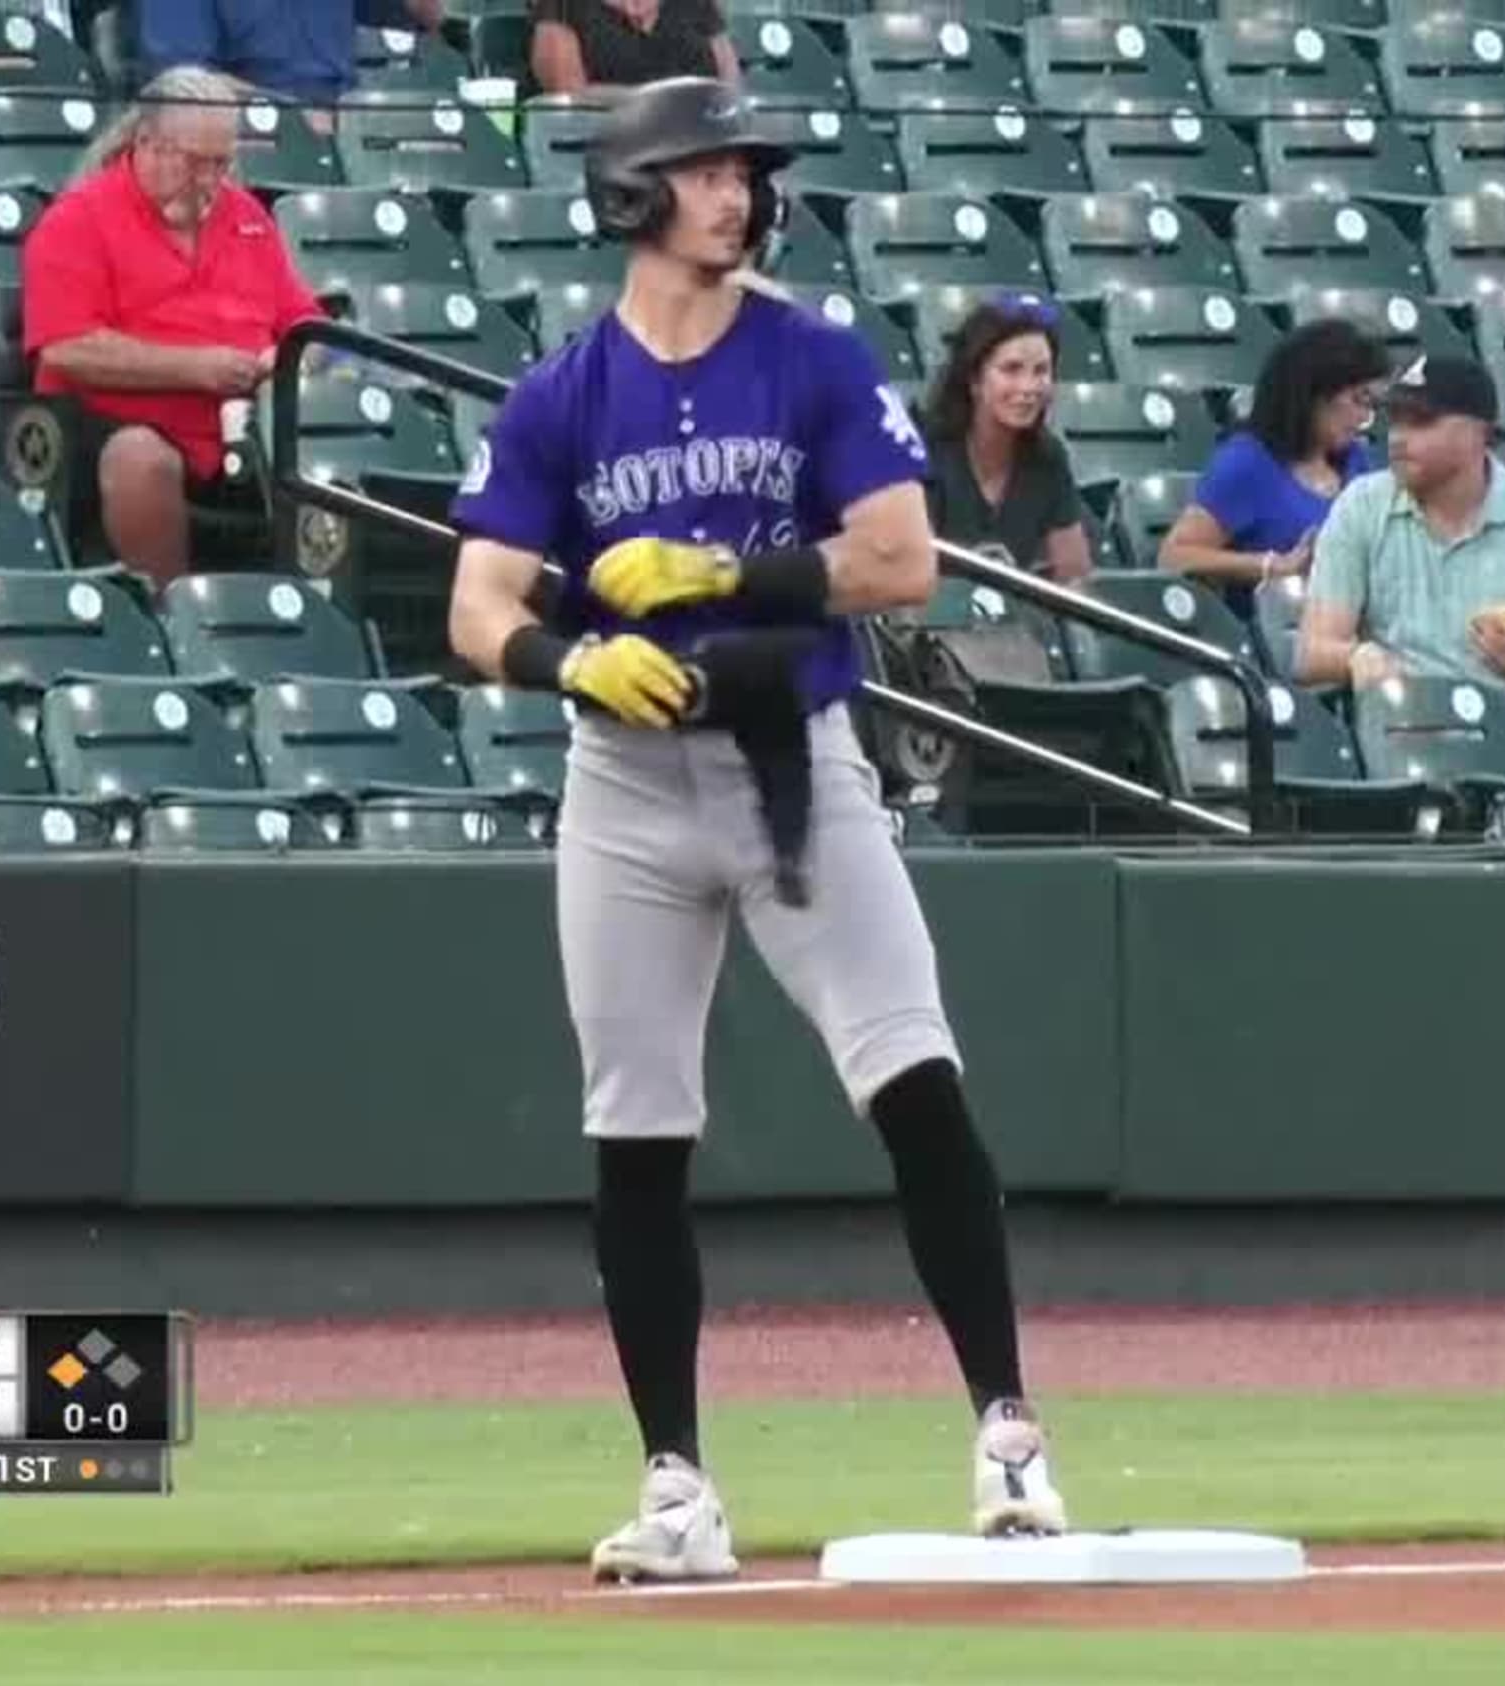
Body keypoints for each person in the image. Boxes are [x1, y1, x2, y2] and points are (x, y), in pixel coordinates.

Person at [445, 77, 1067, 1585]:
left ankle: (1010, 1433)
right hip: (628, 781)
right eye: (704, 172)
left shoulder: (808, 357)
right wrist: (567, 657)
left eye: (742, 173)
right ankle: (677, 1486)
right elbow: (480, 603)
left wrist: (730, 572)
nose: (735, 195)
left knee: (914, 1079)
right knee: (636, 1132)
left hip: (795, 759)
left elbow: (901, 561)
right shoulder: (560, 393)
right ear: (634, 193)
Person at [22, 64, 328, 590]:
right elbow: (66, 349)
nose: (210, 181)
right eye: (195, 164)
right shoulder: (79, 219)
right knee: (139, 458)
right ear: (147, 143)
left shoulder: (247, 215)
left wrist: (291, 357)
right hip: (114, 426)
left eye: (222, 163)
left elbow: (308, 325)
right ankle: (170, 617)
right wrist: (196, 369)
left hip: (248, 428)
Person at [1295, 354, 1505, 701]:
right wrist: (1359, 656)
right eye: (1395, 422)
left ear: (1478, 432)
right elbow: (1310, 655)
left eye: (1421, 422)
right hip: (1399, 723)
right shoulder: (1361, 504)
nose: (1398, 439)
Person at [1159, 317, 1391, 621]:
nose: (1365, 418)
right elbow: (1174, 557)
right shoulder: (1247, 463)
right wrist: (1275, 566)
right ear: (1314, 391)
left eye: (1373, 405)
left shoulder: (1356, 462)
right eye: (1360, 400)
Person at [918, 295, 1090, 585]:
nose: (1029, 387)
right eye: (1011, 369)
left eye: (1041, 371)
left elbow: (1075, 579)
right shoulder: (925, 449)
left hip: (1016, 624)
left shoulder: (1049, 459)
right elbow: (905, 568)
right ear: (974, 379)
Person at [132, 0, 443, 111]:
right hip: (250, 141)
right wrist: (295, 115)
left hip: (349, 129)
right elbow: (184, 83)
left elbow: (426, 18)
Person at [532, 0, 740, 98]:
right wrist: (659, 103)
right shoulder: (563, 5)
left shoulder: (697, 4)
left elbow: (731, 86)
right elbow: (568, 93)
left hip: (702, 145)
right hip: (610, 148)